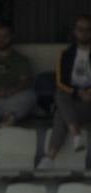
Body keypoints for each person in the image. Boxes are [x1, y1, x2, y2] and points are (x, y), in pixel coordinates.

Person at [40, 15, 91, 168]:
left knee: (60, 112)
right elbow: (60, 81)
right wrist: (77, 93)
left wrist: (88, 92)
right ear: (75, 32)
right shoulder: (65, 54)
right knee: (60, 95)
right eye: (81, 29)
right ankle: (75, 134)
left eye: (88, 29)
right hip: (73, 101)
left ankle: (50, 157)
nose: (84, 33)